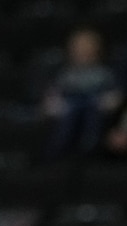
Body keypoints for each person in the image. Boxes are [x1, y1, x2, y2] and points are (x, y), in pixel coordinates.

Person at [42, 28, 121, 159]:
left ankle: (91, 146)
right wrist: (52, 103)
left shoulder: (104, 74)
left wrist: (112, 101)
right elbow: (53, 94)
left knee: (92, 112)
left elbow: (115, 95)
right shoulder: (65, 74)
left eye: (88, 47)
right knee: (70, 112)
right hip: (70, 106)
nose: (83, 51)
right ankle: (59, 148)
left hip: (94, 106)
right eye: (79, 47)